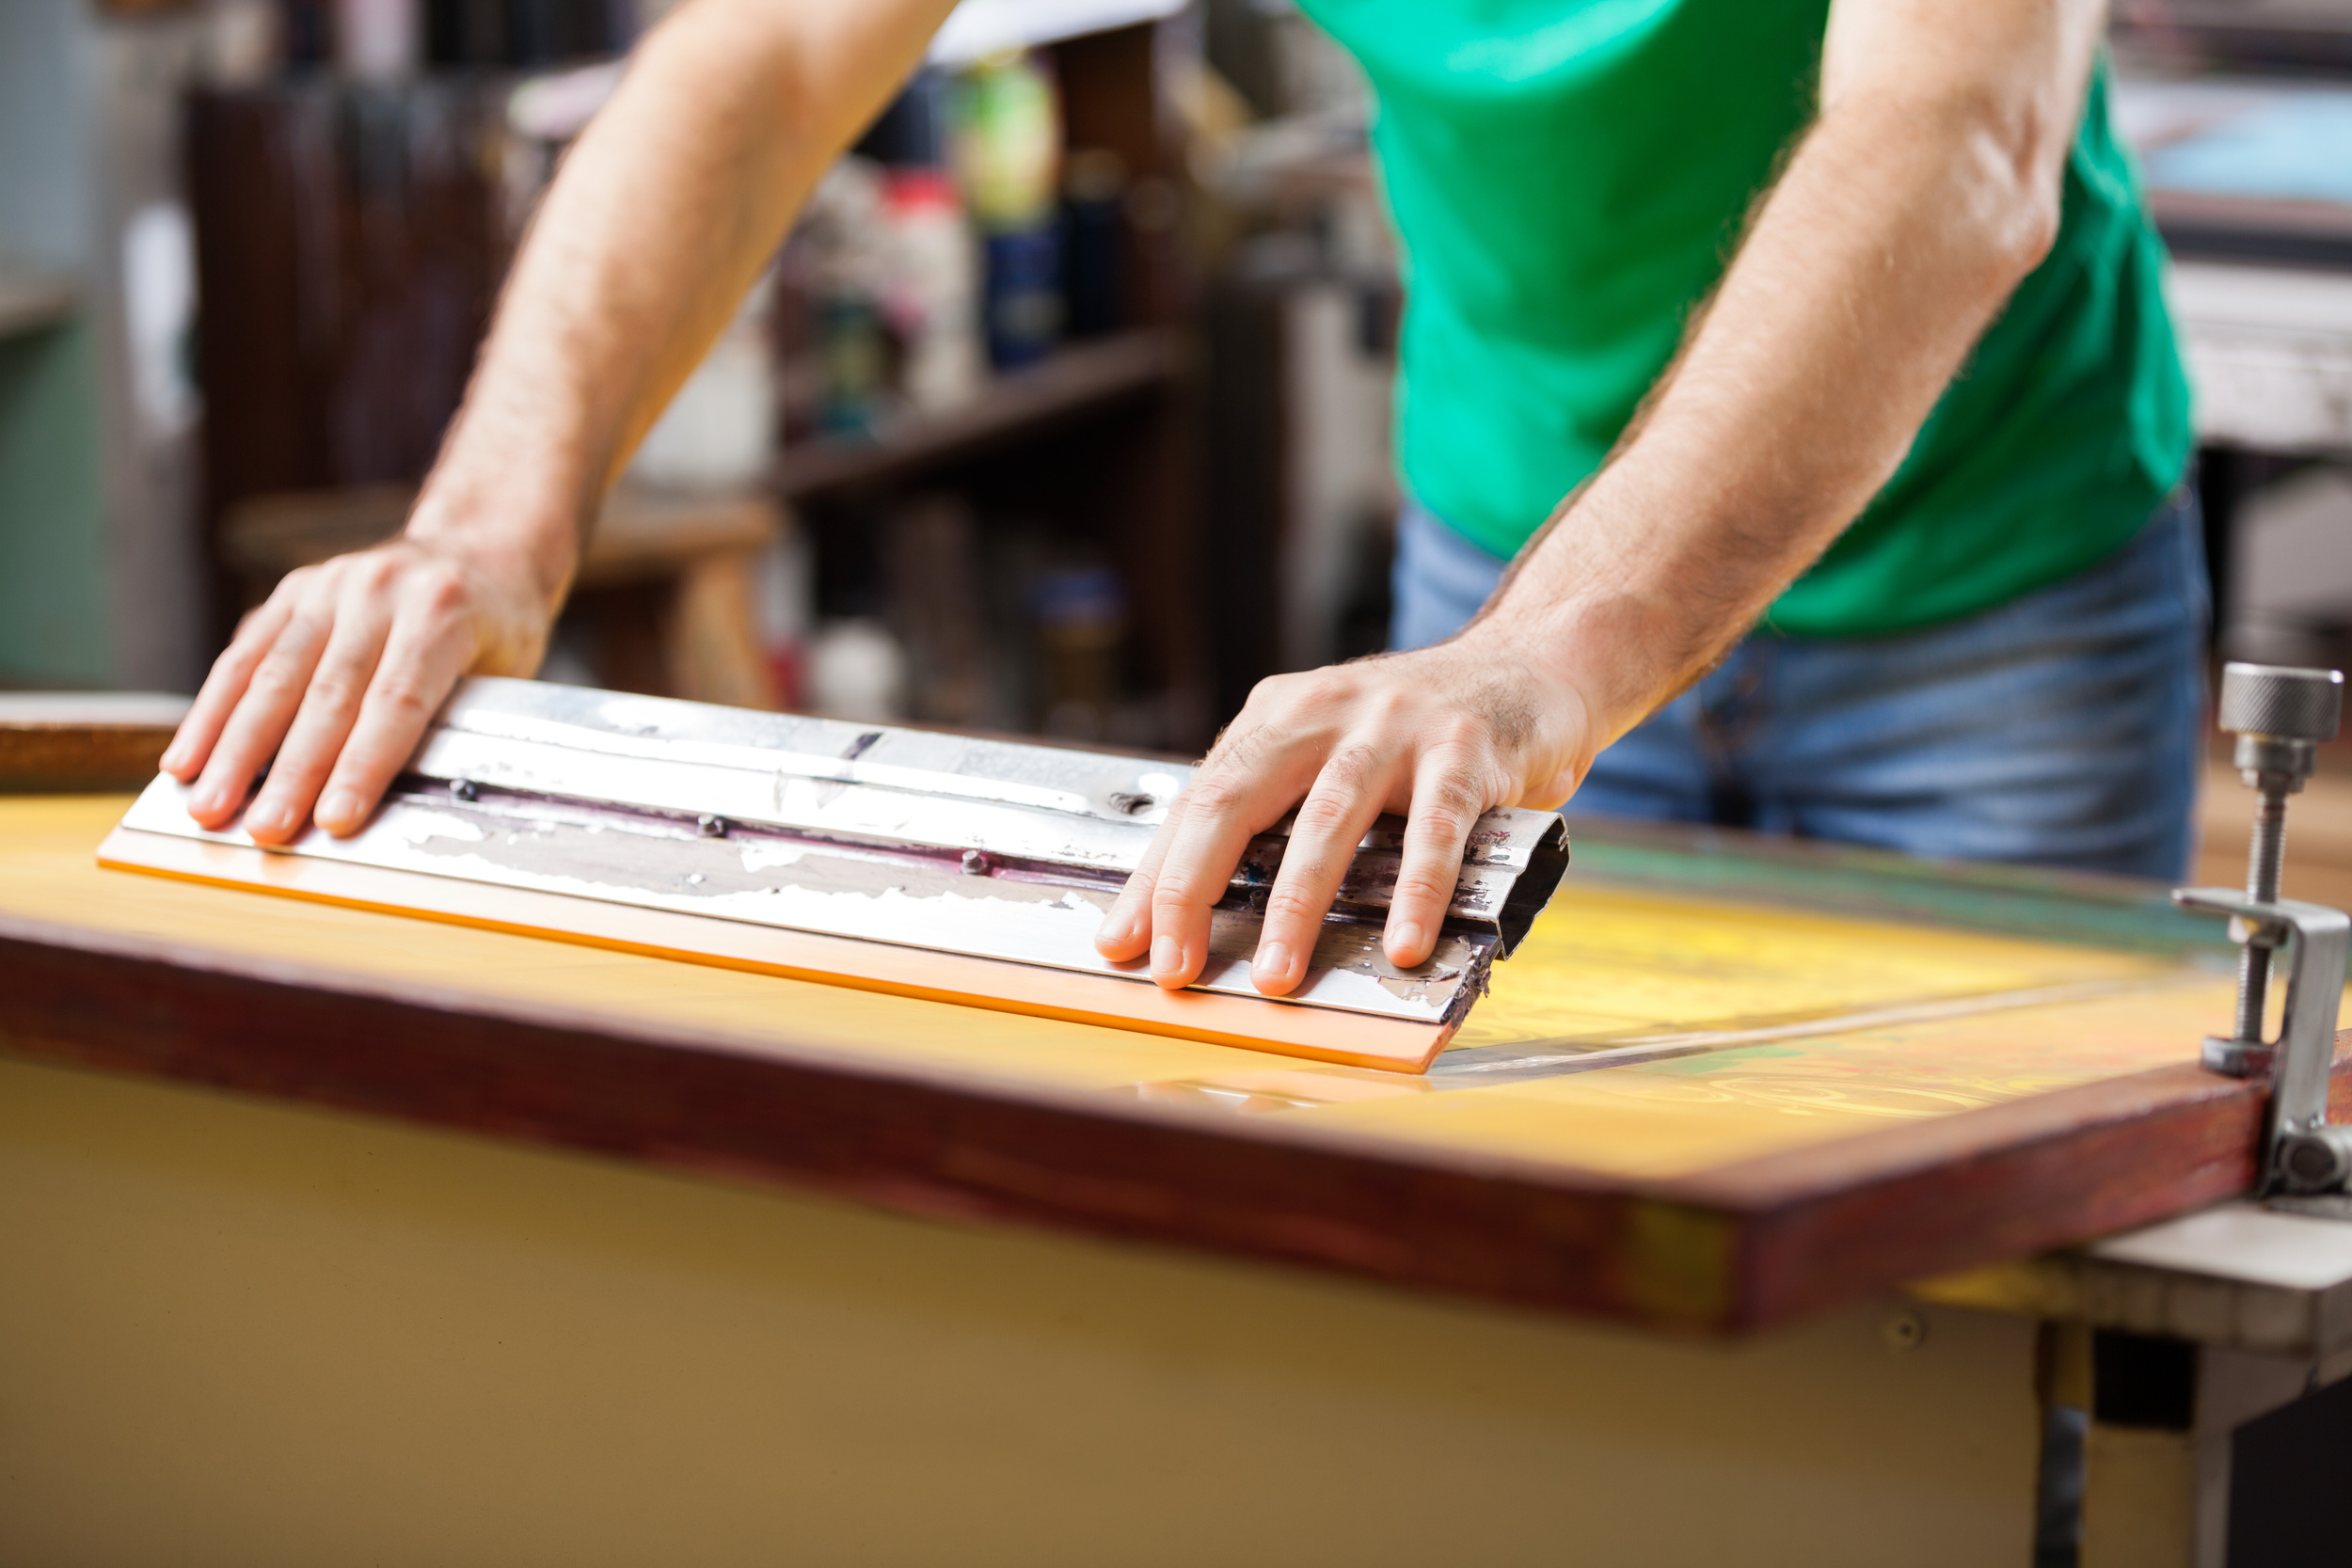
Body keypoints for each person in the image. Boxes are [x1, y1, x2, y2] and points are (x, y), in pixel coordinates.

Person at [162, 0, 2198, 1006]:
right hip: (1503, 555)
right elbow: (764, 57)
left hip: (1986, 590)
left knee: (1983, 1340)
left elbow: (1955, 139)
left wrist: (1538, 660)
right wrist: (484, 532)